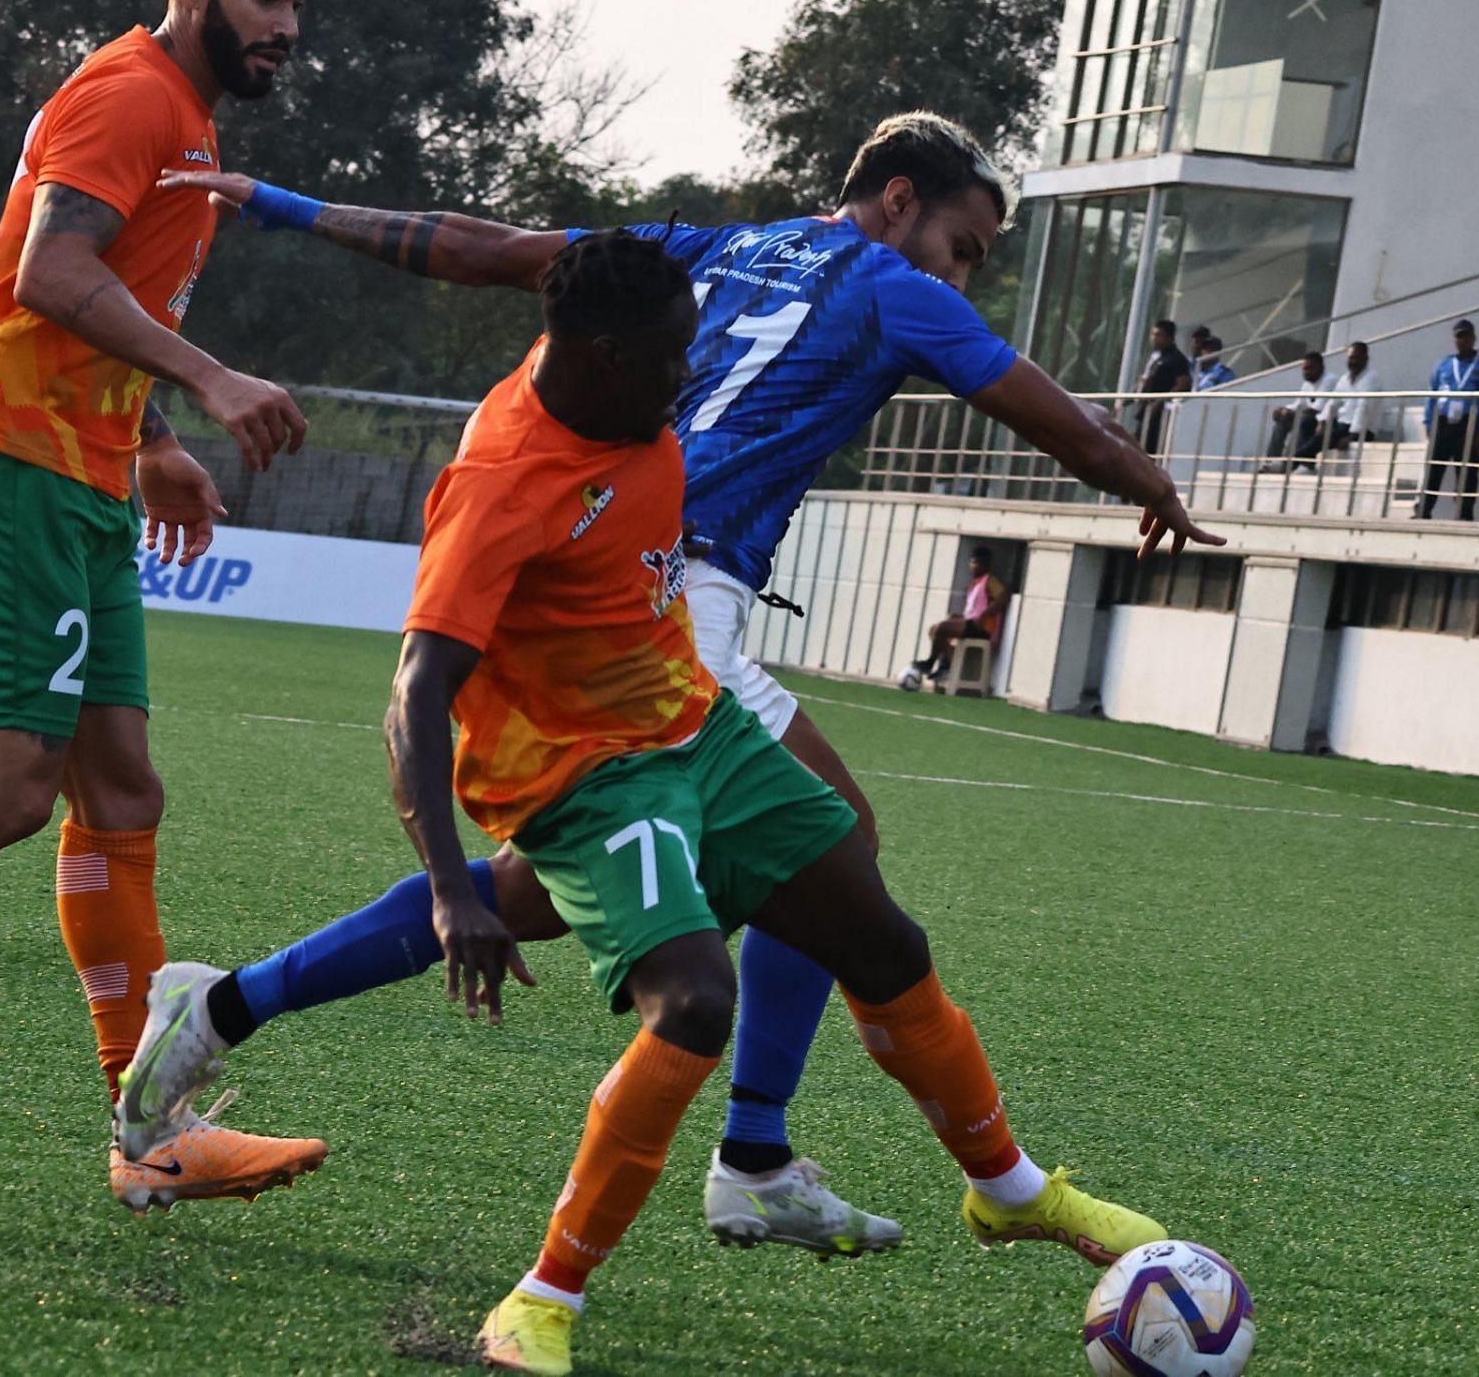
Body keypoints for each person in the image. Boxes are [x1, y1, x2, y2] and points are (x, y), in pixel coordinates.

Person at [152, 113, 1220, 1252]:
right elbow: (1068, 422)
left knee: (708, 860)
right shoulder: (894, 288)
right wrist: (1151, 484)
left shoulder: (709, 247)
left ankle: (753, 1153)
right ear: (899, 201)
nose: (960, 277)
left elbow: (479, 243)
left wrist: (277, 201)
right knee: (628, 877)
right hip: (664, 596)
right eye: (963, 246)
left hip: (613, 573)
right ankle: (234, 1006)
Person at [0, 0, 326, 1209]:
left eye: (297, 4)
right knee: (4, 790)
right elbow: (48, 274)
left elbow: (95, 294)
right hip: (10, 470)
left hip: (86, 478)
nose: (286, 24)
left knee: (122, 793)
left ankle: (146, 1130)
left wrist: (155, 430)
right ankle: (145, 1122)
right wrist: (211, 376)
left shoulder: (189, 118)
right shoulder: (133, 95)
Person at [1415, 319, 1479, 521]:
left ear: (1473, 338)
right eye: (1459, 336)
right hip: (1444, 422)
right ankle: (1423, 511)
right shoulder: (1444, 364)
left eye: (1466, 335)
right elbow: (1432, 395)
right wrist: (1428, 422)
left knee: (1467, 473)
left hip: (1468, 424)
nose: (1463, 340)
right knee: (1434, 469)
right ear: (1454, 339)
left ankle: (1464, 515)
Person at [901, 546, 1008, 690]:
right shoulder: (974, 583)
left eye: (978, 562)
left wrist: (985, 614)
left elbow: (1003, 596)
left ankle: (931, 663)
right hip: (971, 623)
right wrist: (959, 617)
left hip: (982, 628)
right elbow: (973, 609)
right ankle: (945, 665)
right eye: (972, 562)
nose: (974, 566)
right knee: (934, 629)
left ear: (986, 564)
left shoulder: (989, 580)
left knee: (942, 628)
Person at [1259, 351, 1328, 471]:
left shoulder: (1329, 380)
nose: (1306, 372)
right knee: (1282, 421)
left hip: (1322, 421)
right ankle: (1271, 462)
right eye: (1304, 369)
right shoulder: (1307, 384)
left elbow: (1318, 407)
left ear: (1321, 367)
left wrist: (1292, 413)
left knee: (1304, 419)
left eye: (1310, 368)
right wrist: (1284, 410)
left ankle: (1289, 463)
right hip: (1307, 417)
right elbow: (1298, 404)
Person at [1134, 319, 1191, 452]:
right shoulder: (1155, 357)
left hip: (1160, 413)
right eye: (1152, 334)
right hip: (1145, 409)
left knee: (1149, 448)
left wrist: (1160, 402)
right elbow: (1146, 379)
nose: (1153, 338)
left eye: (1158, 335)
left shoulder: (1176, 358)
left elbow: (1183, 383)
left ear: (1169, 337)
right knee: (1137, 444)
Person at [1323, 340, 1378, 450]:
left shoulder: (1371, 379)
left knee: (1323, 438)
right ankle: (1300, 461)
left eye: (1355, 358)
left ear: (1365, 359)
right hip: (1343, 424)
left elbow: (1363, 409)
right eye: (1350, 358)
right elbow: (1333, 402)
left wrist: (1352, 436)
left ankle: (1292, 460)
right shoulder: (1345, 378)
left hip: (1361, 430)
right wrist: (1322, 420)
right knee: (1308, 423)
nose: (1352, 361)